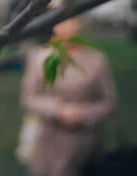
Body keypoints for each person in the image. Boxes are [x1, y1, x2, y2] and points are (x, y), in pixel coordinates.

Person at [17, 17, 116, 176]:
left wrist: (83, 113)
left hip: (84, 144)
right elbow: (29, 97)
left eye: (72, 23)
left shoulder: (97, 60)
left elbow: (109, 102)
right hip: (47, 138)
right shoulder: (41, 57)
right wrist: (58, 109)